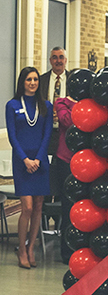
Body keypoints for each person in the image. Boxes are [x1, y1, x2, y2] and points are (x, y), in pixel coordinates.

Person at [6, 67, 53, 269]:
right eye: (28, 79)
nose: (33, 82)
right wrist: (25, 159)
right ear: (22, 82)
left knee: (39, 208)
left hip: (40, 162)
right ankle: (22, 250)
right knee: (27, 207)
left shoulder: (46, 106)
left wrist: (39, 159)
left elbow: (47, 134)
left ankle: (32, 247)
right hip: (21, 161)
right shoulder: (12, 105)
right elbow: (12, 135)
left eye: (35, 79)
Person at [54, 94, 78, 264]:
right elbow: (68, 120)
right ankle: (67, 251)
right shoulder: (61, 102)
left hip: (87, 162)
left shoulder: (90, 102)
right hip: (65, 161)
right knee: (68, 209)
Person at [40, 47, 69, 156]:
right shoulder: (41, 80)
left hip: (66, 133)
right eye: (55, 58)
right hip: (45, 132)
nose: (58, 61)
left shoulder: (73, 80)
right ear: (50, 61)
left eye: (61, 57)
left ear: (65, 60)